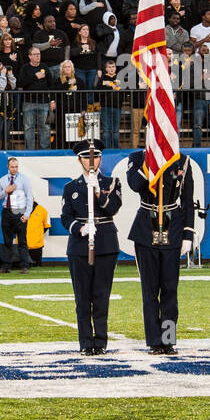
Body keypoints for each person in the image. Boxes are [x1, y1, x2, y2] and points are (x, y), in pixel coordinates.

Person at [126, 150, 196, 355]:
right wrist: (151, 160)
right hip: (145, 229)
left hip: (173, 228)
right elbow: (135, 185)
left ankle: (168, 339)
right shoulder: (138, 158)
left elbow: (188, 199)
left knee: (170, 290)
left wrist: (188, 234)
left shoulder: (183, 161)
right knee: (149, 291)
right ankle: (154, 341)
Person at [61, 138, 123, 355]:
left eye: (95, 156)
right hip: (79, 246)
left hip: (105, 243)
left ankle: (101, 341)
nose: (91, 161)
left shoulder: (111, 183)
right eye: (86, 157)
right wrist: (80, 228)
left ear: (100, 158)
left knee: (101, 295)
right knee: (82, 297)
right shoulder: (71, 187)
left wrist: (98, 192)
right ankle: (86, 343)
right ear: (79, 160)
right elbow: (65, 216)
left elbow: (112, 208)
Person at [0, 157, 33, 272]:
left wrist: (27, 214)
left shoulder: (24, 179)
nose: (15, 169)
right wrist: (5, 191)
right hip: (7, 212)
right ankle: (6, 266)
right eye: (12, 167)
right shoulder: (2, 180)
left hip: (19, 211)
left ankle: (24, 266)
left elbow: (29, 197)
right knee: (7, 241)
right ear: (8, 167)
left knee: (22, 241)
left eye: (16, 166)